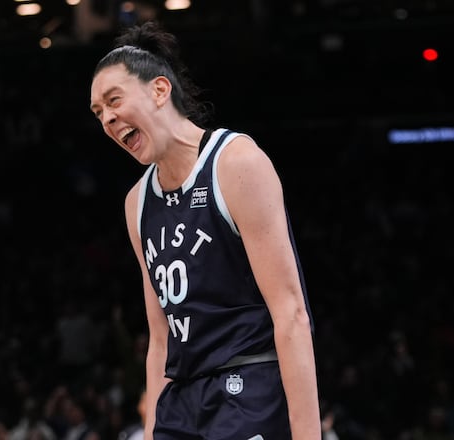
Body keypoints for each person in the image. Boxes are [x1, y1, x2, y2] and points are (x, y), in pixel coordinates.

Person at [89, 22, 321, 439]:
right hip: (181, 402)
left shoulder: (236, 163)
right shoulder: (136, 203)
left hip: (248, 387)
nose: (106, 118)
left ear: (160, 91)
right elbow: (160, 339)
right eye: (98, 112)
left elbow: (291, 313)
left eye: (113, 100)